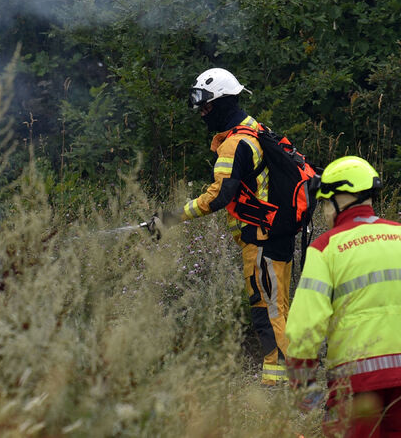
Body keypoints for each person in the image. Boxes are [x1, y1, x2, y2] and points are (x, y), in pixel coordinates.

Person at [161, 67, 293, 385]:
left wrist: (172, 217)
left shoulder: (235, 144)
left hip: (262, 239)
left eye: (207, 105)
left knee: (267, 310)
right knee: (278, 306)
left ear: (222, 102)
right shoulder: (257, 129)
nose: (203, 112)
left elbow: (220, 195)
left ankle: (278, 384)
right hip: (276, 235)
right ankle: (288, 378)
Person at [286, 155, 401, 437]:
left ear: (341, 198)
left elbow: (303, 328)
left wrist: (305, 386)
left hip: (355, 387)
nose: (324, 211)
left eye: (325, 202)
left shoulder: (326, 248)